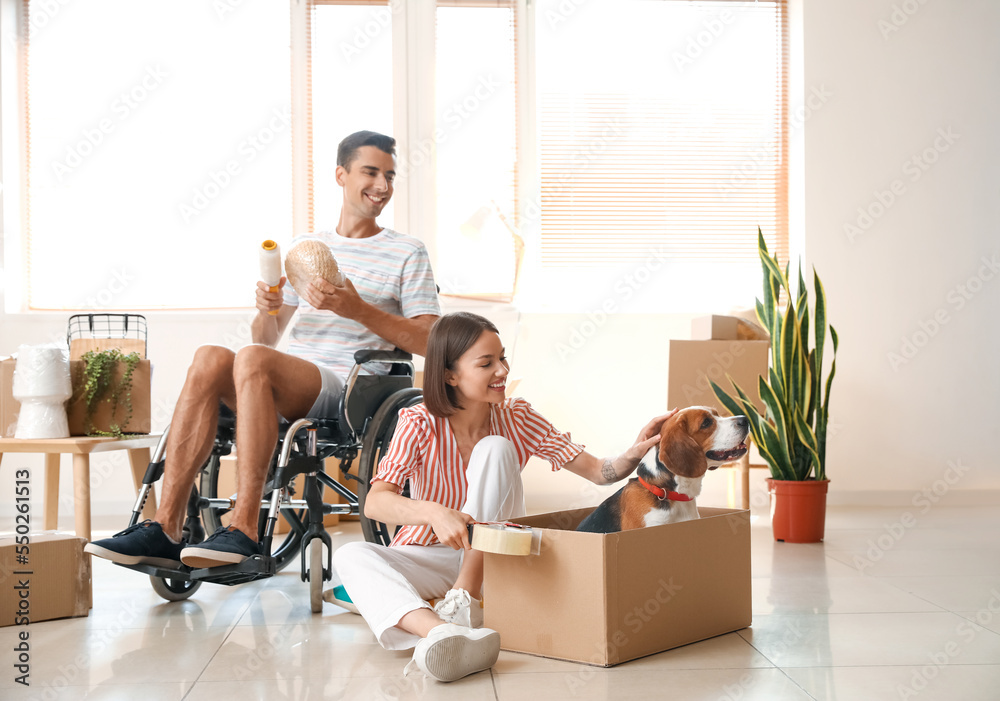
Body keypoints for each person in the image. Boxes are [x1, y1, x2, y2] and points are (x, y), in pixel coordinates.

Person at [86, 130, 441, 569]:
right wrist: (269, 309)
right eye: (371, 172)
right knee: (209, 357)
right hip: (291, 374)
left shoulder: (406, 252)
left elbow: (431, 342)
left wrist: (358, 309)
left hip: (352, 386)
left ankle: (245, 527)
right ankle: (165, 526)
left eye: (389, 175)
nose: (382, 185)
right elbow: (265, 339)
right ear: (341, 174)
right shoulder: (307, 247)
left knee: (250, 360)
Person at [333, 311, 675, 682]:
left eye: (503, 358)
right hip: (432, 554)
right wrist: (433, 512)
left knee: (494, 448)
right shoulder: (418, 421)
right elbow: (376, 502)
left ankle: (465, 597)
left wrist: (635, 451)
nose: (502, 370)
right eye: (487, 363)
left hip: (499, 556)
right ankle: (442, 632)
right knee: (350, 555)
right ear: (450, 374)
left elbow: (597, 471)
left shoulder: (517, 417)